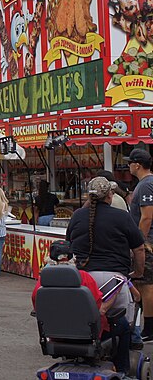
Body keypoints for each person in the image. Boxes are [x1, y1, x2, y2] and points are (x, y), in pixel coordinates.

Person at [32, 240, 132, 376]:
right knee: (123, 325)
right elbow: (100, 310)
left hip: (57, 337)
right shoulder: (85, 279)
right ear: (73, 258)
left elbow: (38, 310)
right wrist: (114, 293)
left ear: (49, 258)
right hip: (89, 336)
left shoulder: (40, 285)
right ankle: (122, 371)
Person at [69, 176, 145, 340]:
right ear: (110, 195)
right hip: (115, 280)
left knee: (87, 320)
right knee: (122, 324)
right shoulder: (122, 216)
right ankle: (122, 363)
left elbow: (69, 243)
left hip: (84, 280)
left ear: (89, 196)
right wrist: (138, 272)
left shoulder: (77, 216)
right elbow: (139, 248)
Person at [128, 148, 153, 341]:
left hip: (147, 242)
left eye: (130, 162)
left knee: (146, 285)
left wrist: (140, 242)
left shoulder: (145, 185)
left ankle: (149, 328)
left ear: (137, 164)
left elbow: (146, 217)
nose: (128, 166)